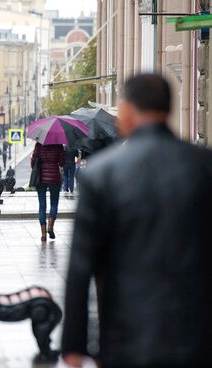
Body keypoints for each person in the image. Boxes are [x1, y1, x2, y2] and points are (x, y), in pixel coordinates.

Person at [62, 74, 212, 368]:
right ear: (168, 110)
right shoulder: (204, 166)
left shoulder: (101, 175)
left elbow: (81, 267)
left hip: (127, 335)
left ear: (129, 110)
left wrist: (74, 345)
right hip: (198, 333)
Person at [31, 142, 64, 242]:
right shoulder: (58, 144)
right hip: (54, 177)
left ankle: (43, 234)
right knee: (54, 204)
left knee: (42, 206)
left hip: (41, 178)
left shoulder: (39, 144)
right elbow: (62, 162)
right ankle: (50, 227)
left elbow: (33, 162)